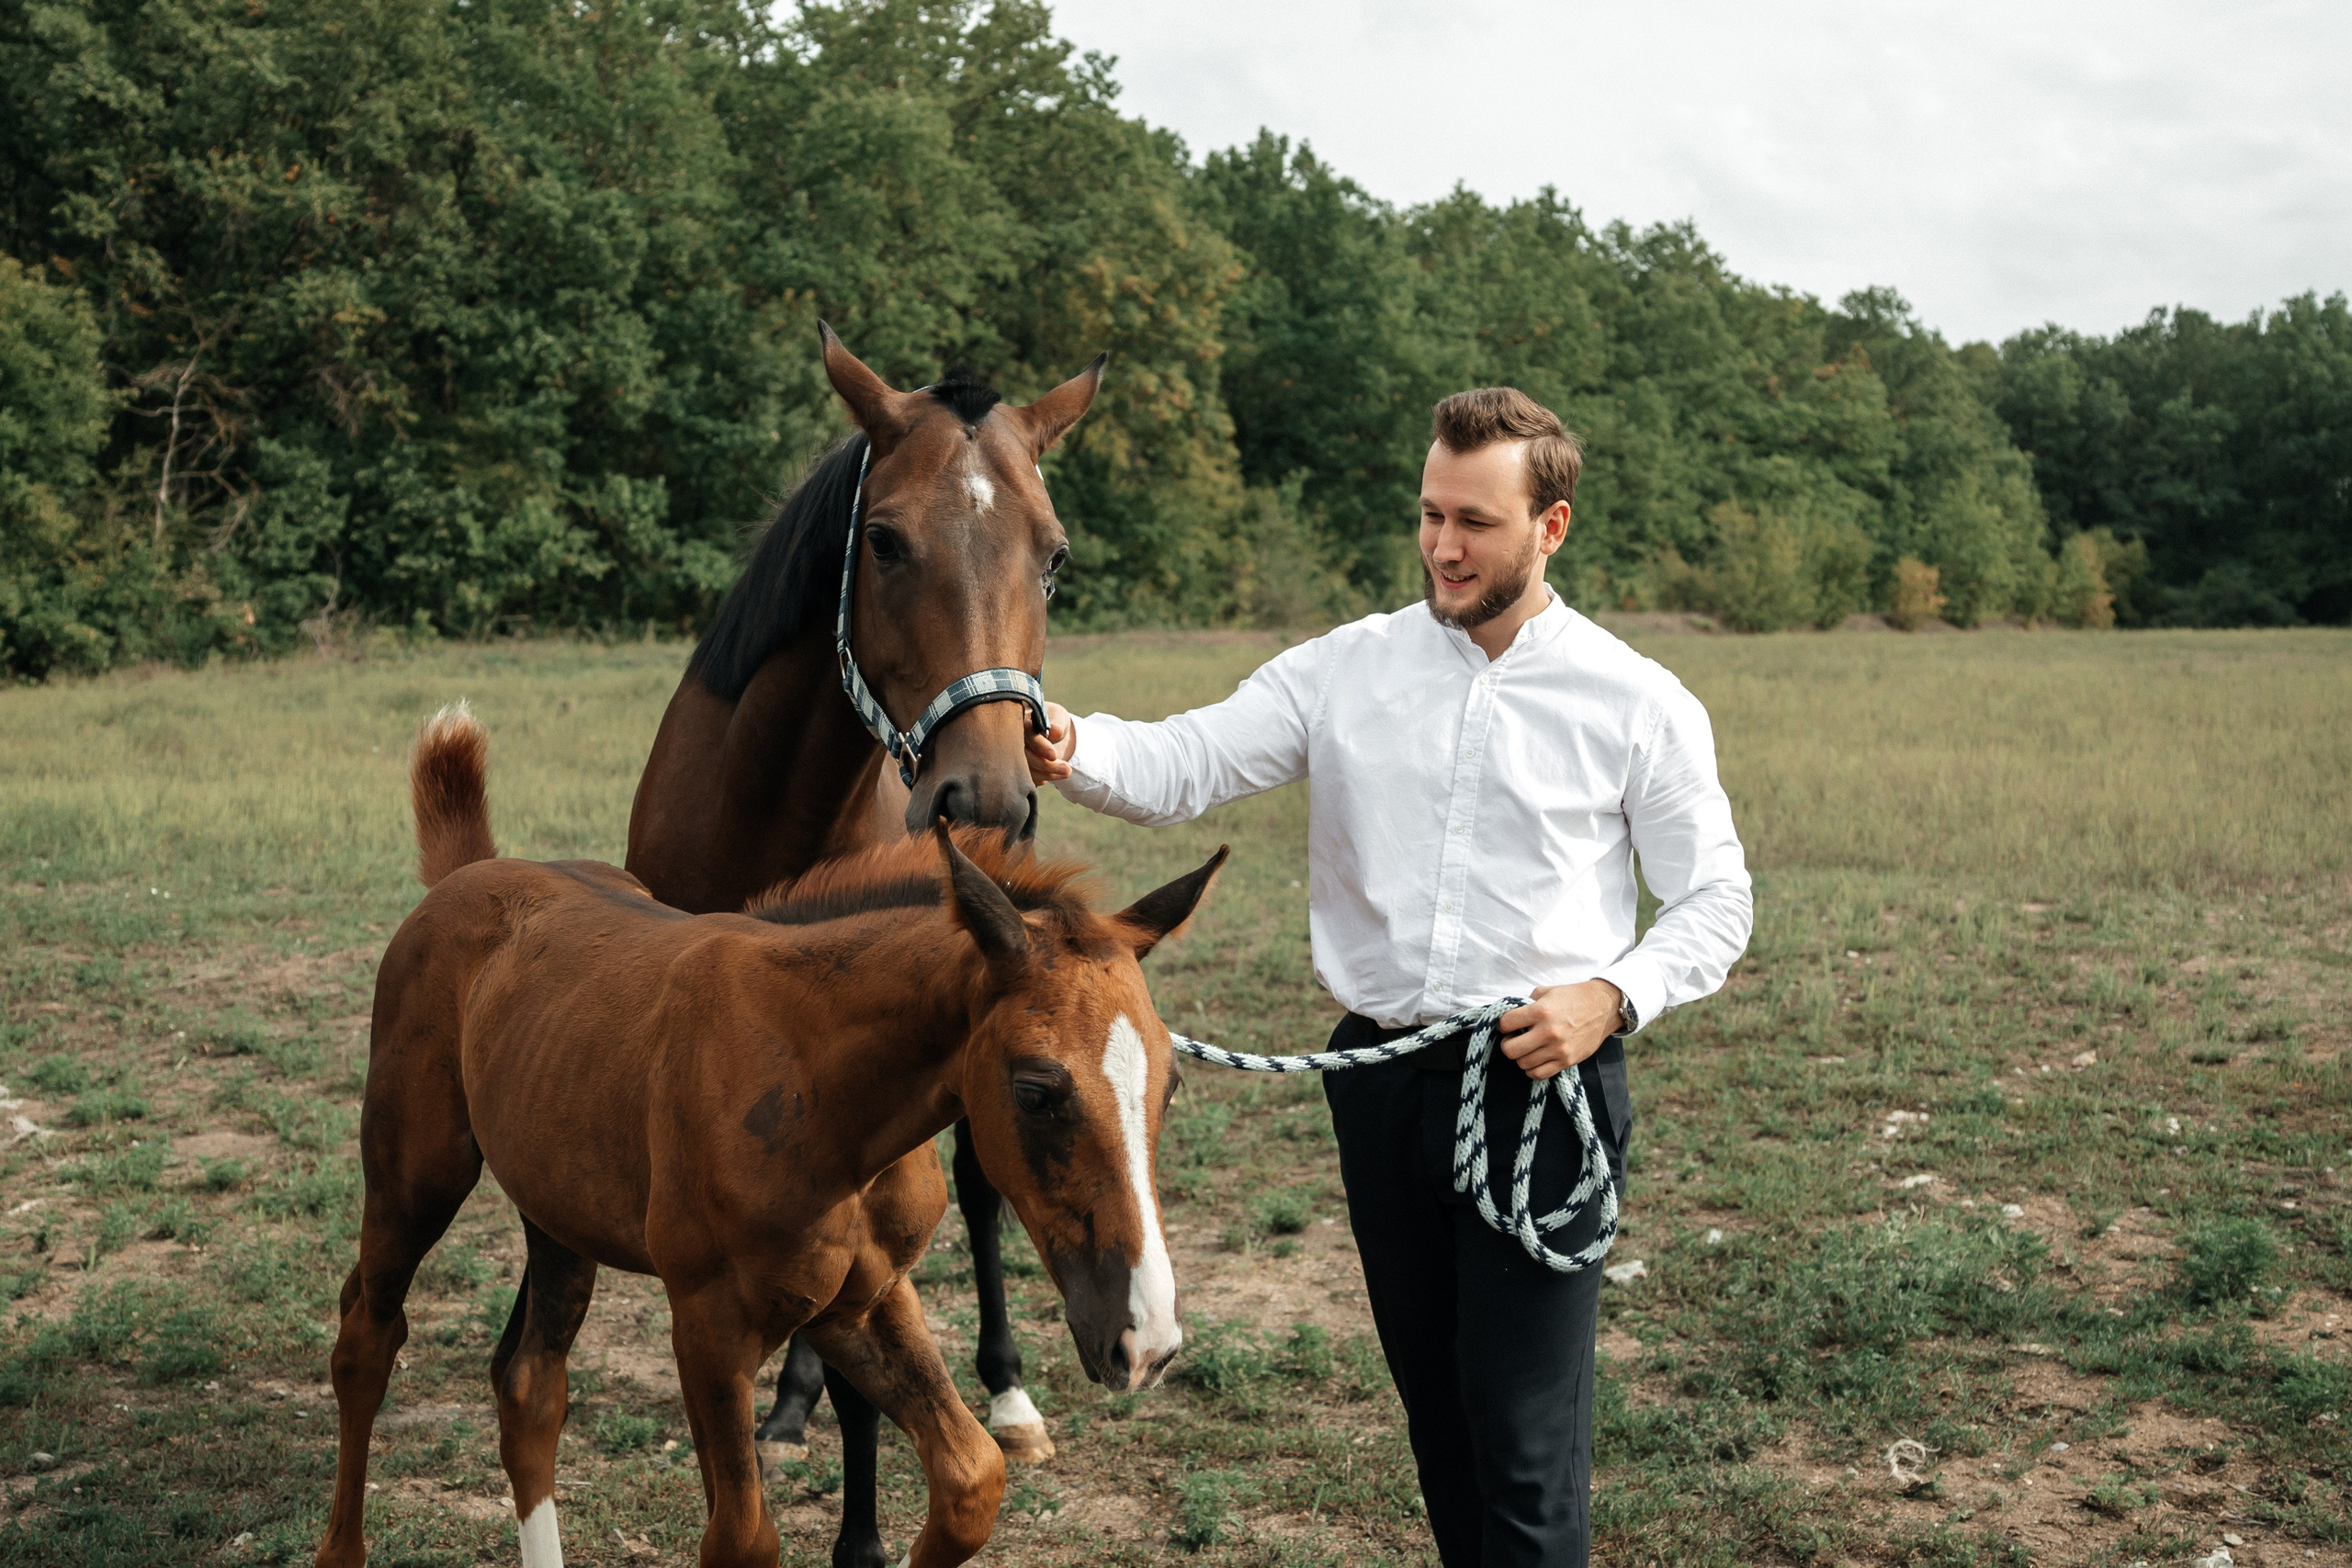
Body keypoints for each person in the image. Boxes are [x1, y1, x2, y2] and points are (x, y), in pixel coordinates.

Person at [1025, 387, 1753, 1567]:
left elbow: (1717, 897)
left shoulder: (1636, 700)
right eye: (1428, 515)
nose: (1443, 546)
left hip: (1539, 1084)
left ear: (1550, 528)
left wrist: (1608, 996)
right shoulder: (1345, 669)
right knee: (1441, 1424)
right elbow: (1185, 761)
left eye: (1475, 521)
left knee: (1521, 1439)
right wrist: (1074, 741)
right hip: (1378, 1080)